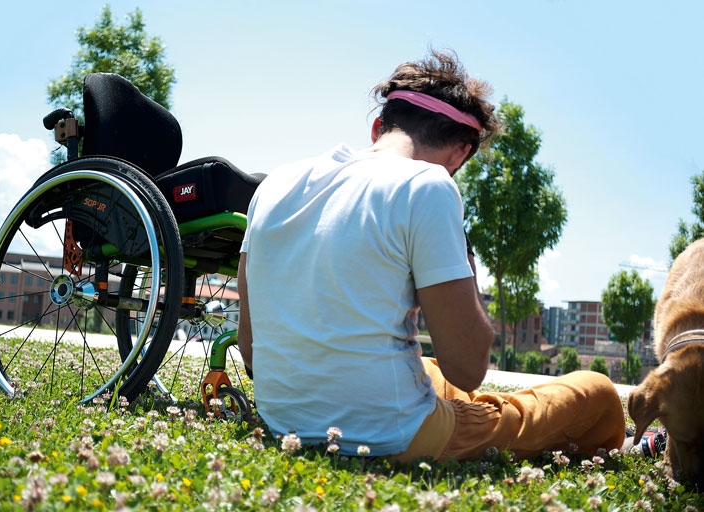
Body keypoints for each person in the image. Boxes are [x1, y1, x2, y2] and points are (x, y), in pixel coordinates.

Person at [236, 50, 625, 462]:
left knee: (433, 369)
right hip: (395, 436)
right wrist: (463, 257)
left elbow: (250, 346)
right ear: (460, 153)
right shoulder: (429, 185)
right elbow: (468, 367)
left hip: (283, 421)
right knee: (596, 392)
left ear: (378, 127)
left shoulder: (276, 183)